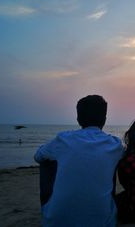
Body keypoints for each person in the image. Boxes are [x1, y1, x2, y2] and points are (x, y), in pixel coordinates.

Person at [34, 95, 124, 227]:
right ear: (104, 119)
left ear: (78, 118)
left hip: (55, 222)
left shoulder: (63, 139)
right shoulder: (115, 145)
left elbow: (38, 156)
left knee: (47, 161)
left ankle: (52, 208)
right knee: (109, 163)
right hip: (103, 223)